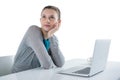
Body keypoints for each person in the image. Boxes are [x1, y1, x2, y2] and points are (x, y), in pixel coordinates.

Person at [12, 5, 65, 73]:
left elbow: (60, 63)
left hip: (35, 74)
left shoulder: (53, 38)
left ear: (58, 22)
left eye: (52, 17)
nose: (47, 20)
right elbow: (47, 65)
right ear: (40, 20)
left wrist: (51, 36)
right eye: (44, 17)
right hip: (18, 76)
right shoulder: (33, 31)